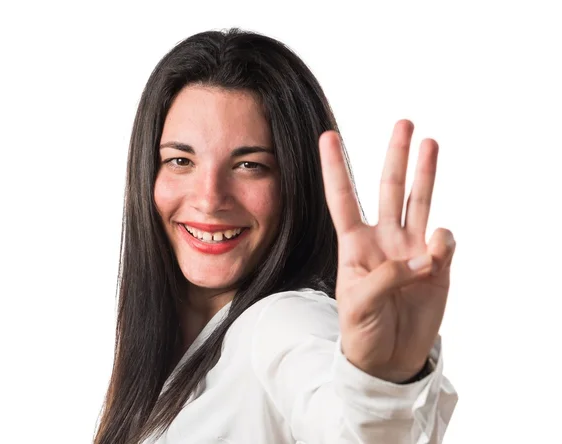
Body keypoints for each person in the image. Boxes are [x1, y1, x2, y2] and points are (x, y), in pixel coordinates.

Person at [94, 28, 458, 444]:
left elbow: (349, 428)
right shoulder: (163, 357)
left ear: (296, 183)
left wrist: (379, 384)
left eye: (249, 165)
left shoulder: (285, 320)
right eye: (180, 160)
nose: (210, 199)